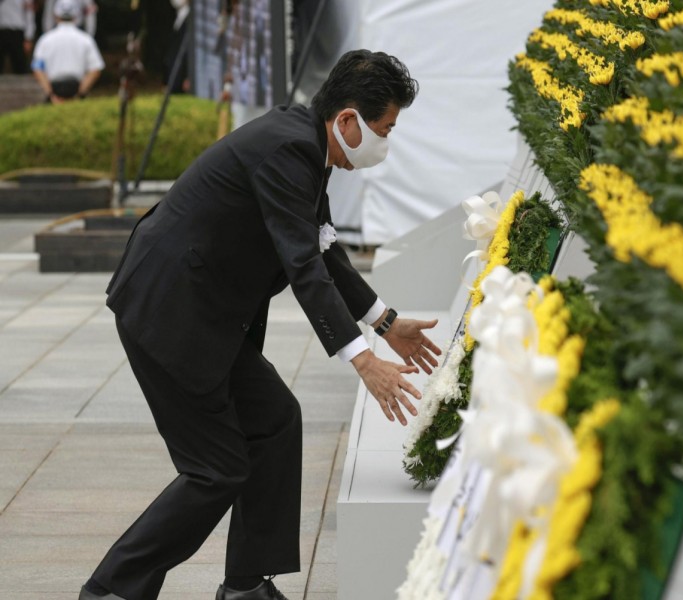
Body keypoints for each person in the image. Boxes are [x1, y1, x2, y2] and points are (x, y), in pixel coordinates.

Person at [78, 49, 442, 600]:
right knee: (215, 469)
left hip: (207, 313)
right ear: (348, 120)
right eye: (385, 129)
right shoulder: (289, 149)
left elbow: (322, 247)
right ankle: (111, 591)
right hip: (170, 310)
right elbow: (301, 265)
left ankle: (247, 586)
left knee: (274, 422)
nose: (386, 144)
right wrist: (362, 359)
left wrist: (384, 322)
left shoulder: (307, 146)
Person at [30, 0, 103, 102]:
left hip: (53, 90)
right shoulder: (86, 39)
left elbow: (37, 68)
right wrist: (80, 93)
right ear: (76, 16)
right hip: (77, 88)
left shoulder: (45, 40)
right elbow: (96, 68)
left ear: (55, 15)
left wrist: (51, 94)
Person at [0, 0, 35, 74]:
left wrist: (28, 38)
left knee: (19, 65)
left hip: (18, 32)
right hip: (2, 31)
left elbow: (30, 15)